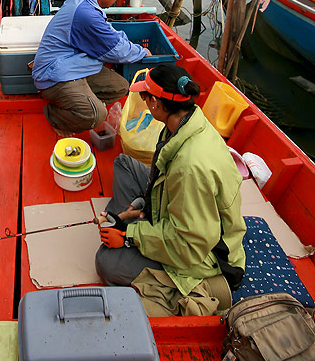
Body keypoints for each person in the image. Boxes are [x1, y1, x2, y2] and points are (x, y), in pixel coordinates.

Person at [95, 64, 246, 316]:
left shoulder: (189, 169)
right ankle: (122, 222)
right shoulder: (186, 121)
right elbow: (162, 179)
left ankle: (120, 231)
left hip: (203, 256)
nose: (143, 101)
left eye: (145, 97)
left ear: (156, 103)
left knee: (105, 262)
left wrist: (130, 235)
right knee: (124, 164)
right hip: (179, 211)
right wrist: (143, 203)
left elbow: (187, 245)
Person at [31, 0, 150, 135]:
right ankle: (56, 115)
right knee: (96, 116)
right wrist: (142, 52)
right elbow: (116, 50)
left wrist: (127, 42)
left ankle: (81, 102)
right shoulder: (86, 14)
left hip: (75, 64)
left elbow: (111, 34)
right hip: (55, 74)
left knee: (120, 86)